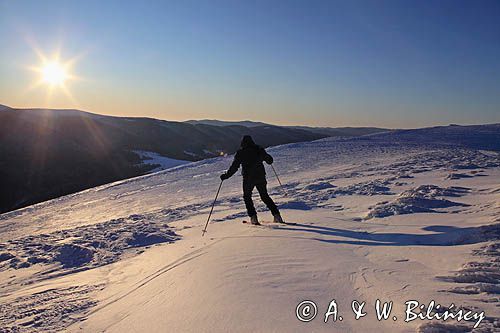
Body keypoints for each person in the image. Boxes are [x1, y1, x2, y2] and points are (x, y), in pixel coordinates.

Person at [220, 135, 284, 225]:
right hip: (260, 177)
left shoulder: (241, 152)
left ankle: (254, 218)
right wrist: (267, 158)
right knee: (264, 196)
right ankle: (277, 216)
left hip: (248, 179)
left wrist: (226, 176)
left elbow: (235, 167)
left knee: (247, 197)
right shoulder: (258, 149)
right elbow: (269, 160)